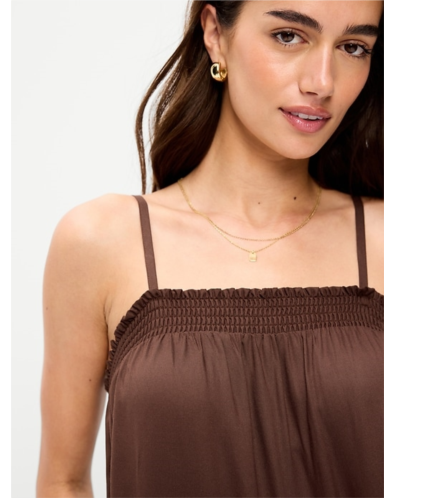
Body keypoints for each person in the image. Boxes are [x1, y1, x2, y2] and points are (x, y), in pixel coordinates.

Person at [37, 0, 384, 496]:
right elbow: (63, 482)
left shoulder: (378, 237)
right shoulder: (102, 241)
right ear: (215, 34)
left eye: (353, 47)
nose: (322, 82)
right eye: (288, 36)